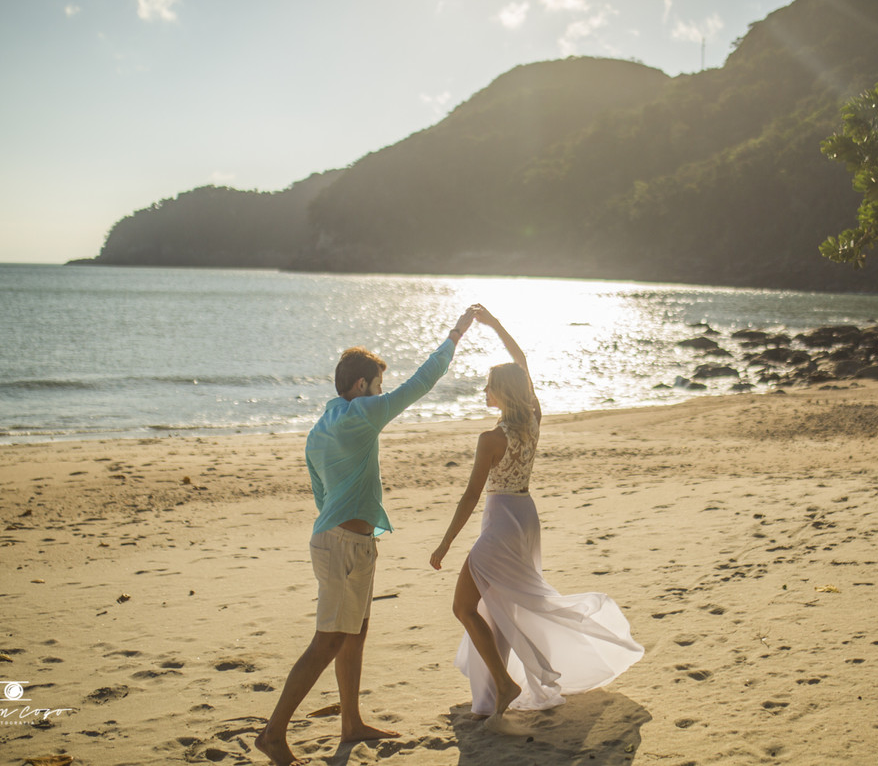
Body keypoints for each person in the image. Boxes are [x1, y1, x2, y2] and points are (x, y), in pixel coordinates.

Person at [256, 307, 476, 766]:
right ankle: (273, 734)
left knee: (355, 631)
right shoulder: (361, 414)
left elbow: (320, 492)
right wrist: (456, 334)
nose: (382, 393)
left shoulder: (321, 427)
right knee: (329, 640)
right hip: (344, 546)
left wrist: (347, 529)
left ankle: (351, 722)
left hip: (339, 540)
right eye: (378, 385)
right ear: (361, 387)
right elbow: (420, 383)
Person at [430, 305, 643, 730]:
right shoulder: (531, 421)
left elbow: (472, 495)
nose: (484, 394)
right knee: (503, 604)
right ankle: (494, 691)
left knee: (464, 606)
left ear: (501, 393)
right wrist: (495, 326)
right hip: (525, 518)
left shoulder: (491, 438)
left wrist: (446, 544)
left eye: (489, 387)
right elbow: (522, 362)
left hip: (501, 520)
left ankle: (505, 686)